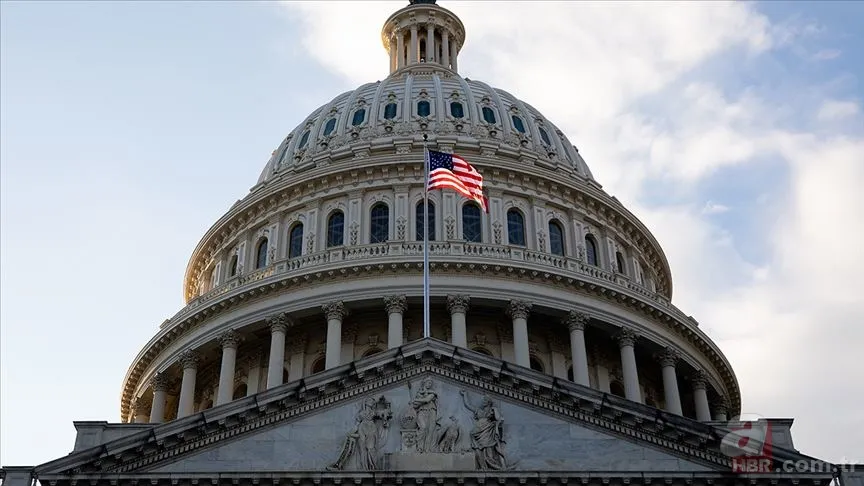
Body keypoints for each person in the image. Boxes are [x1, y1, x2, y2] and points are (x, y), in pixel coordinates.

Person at [459, 390, 507, 470]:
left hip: (487, 432)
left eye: (485, 400)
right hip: (477, 434)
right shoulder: (479, 410)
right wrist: (465, 395)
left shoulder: (492, 410)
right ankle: (483, 465)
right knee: (478, 450)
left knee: (489, 454)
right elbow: (468, 405)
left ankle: (494, 466)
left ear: (488, 402)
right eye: (483, 400)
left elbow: (499, 419)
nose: (483, 402)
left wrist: (496, 413)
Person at [411, 379, 440, 452]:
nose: (430, 384)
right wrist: (416, 401)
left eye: (431, 383)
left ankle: (428, 449)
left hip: (431, 412)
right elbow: (416, 405)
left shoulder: (432, 393)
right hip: (422, 411)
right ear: (424, 383)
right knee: (423, 428)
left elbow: (427, 400)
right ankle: (420, 447)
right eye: (428, 382)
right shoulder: (419, 393)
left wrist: (416, 400)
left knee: (431, 430)